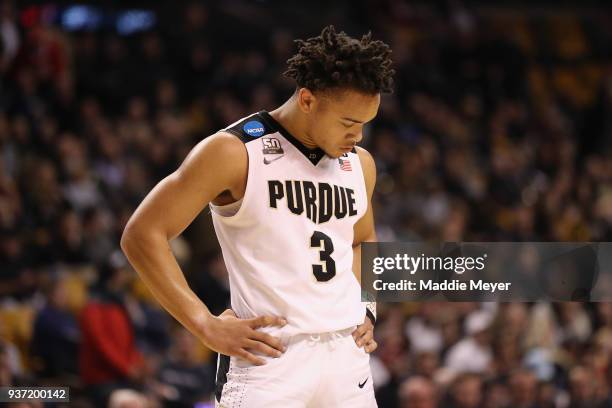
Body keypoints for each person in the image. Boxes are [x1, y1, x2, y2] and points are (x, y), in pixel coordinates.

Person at [121, 25, 394, 407]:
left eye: (366, 123)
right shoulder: (233, 151)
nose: (359, 136)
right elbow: (142, 233)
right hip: (270, 356)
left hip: (347, 356)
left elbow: (362, 239)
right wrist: (204, 324)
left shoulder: (359, 164)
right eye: (349, 123)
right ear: (307, 100)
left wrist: (368, 306)